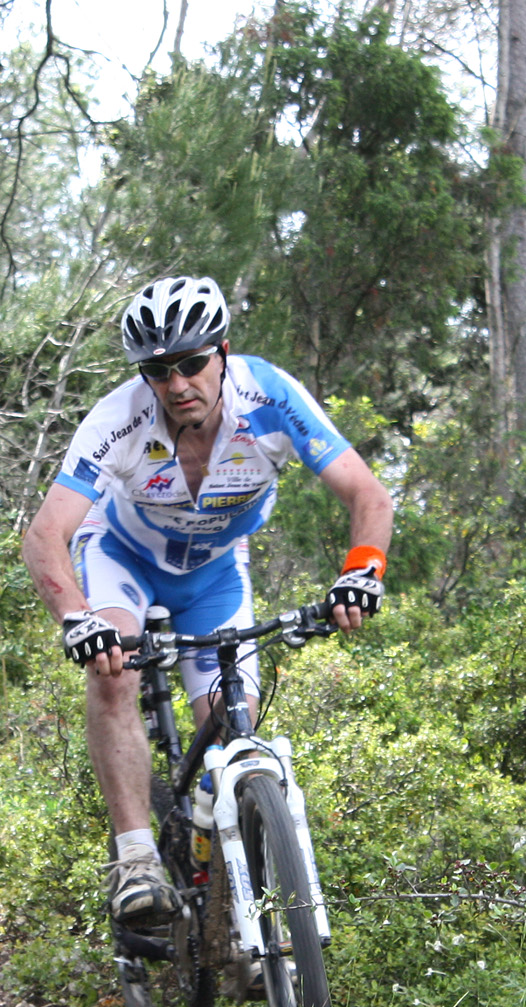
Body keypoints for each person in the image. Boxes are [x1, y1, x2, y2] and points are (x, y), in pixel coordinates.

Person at [22, 275, 393, 928]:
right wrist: (78, 619)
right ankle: (136, 859)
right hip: (123, 557)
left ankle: (218, 844)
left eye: (192, 363)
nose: (177, 384)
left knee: (232, 718)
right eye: (158, 370)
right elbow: (45, 534)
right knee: (112, 671)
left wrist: (362, 570)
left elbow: (368, 493)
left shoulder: (269, 396)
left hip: (215, 573)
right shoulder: (119, 419)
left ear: (222, 352)